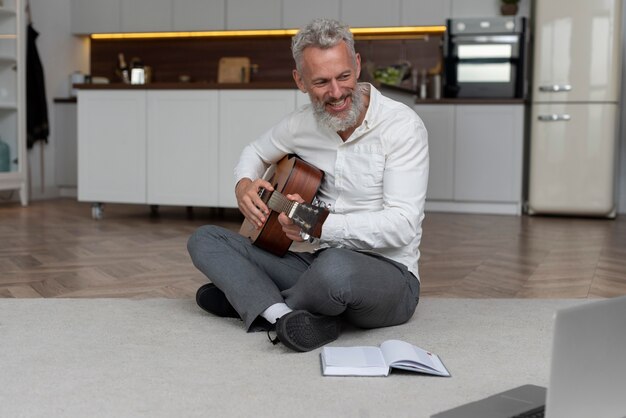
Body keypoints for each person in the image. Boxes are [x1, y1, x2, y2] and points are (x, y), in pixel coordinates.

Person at [187, 18, 429, 352]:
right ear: (300, 81)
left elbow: (402, 227)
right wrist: (243, 185)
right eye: (321, 81)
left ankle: (252, 298)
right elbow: (255, 152)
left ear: (357, 65)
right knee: (205, 240)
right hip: (315, 264)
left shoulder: (403, 128)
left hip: (390, 276)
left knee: (335, 269)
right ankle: (284, 315)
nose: (336, 92)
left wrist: (315, 226)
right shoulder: (300, 124)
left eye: (343, 76)